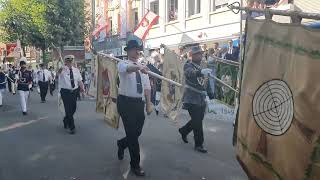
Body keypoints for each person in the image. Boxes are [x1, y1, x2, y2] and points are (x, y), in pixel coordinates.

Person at [116, 40, 153, 177]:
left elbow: (147, 87)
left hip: (139, 103)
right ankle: (135, 165)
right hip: (125, 103)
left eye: (138, 49)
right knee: (132, 135)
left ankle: (121, 143)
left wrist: (148, 103)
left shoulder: (143, 67)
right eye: (134, 49)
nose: (137, 51)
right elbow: (127, 70)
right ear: (128, 51)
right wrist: (138, 67)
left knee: (136, 132)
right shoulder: (123, 63)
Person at [178, 46, 212, 153]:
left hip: (201, 98)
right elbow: (189, 73)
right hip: (191, 98)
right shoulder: (188, 65)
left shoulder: (202, 66)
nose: (200, 55)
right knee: (197, 122)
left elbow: (206, 81)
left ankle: (184, 130)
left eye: (201, 54)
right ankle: (199, 144)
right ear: (192, 55)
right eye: (198, 54)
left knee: (198, 119)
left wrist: (211, 94)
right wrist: (200, 72)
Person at [58, 55, 84, 134]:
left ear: (73, 62)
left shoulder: (76, 70)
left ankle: (66, 119)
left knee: (73, 108)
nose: (69, 63)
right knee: (68, 109)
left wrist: (82, 89)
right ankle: (72, 127)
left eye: (71, 61)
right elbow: (57, 73)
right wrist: (61, 65)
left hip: (74, 92)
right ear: (65, 62)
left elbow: (79, 81)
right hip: (65, 92)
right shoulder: (62, 70)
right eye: (68, 62)